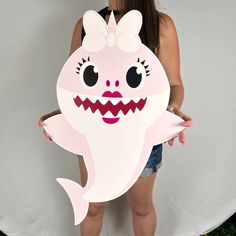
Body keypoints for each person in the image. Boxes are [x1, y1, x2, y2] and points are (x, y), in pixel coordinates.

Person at [38, 0, 192, 235]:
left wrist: (172, 107)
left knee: (141, 208)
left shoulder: (161, 26)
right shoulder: (85, 25)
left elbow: (175, 83)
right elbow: (75, 87)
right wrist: (62, 115)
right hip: (92, 135)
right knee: (92, 207)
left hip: (142, 136)